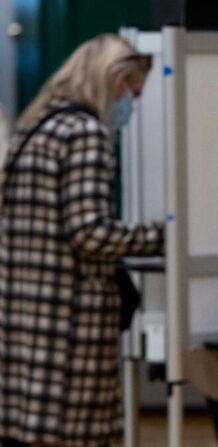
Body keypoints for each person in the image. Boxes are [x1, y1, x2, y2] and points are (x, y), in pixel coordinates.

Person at [0, 35, 164, 447]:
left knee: (27, 430)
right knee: (75, 434)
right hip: (70, 319)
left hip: (23, 312)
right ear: (115, 79)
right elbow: (90, 233)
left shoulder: (35, 127)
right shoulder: (86, 134)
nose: (132, 105)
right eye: (133, 92)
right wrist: (161, 235)